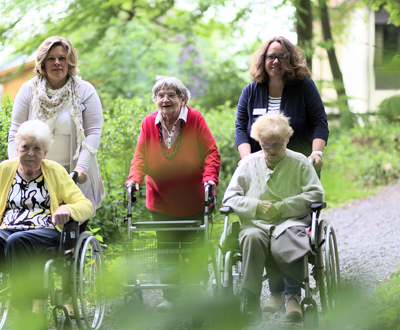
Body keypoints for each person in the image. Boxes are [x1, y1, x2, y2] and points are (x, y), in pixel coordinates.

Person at [0, 120, 93, 329]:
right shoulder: (3, 170)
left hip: (46, 233)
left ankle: (27, 312)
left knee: (18, 240)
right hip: (8, 231)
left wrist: (67, 209)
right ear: (17, 148)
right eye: (25, 147)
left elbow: (85, 205)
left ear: (45, 152)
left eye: (37, 148)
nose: (30, 153)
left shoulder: (55, 172)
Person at [125, 76, 221, 311]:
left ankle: (194, 292)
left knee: (192, 249)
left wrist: (210, 179)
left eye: (171, 95)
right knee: (166, 249)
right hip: (161, 200)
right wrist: (134, 179)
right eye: (160, 95)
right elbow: (140, 157)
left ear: (183, 98)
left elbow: (211, 153)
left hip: (193, 200)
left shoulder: (195, 119)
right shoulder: (149, 123)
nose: (165, 99)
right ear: (155, 100)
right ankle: (171, 296)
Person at [223, 113, 324, 323]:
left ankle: (293, 297)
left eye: (277, 144)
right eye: (265, 144)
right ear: (259, 142)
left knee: (292, 235)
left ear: (287, 139)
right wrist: (256, 206)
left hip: (291, 221)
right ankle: (251, 300)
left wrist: (282, 208)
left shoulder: (300, 162)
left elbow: (316, 195)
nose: (271, 149)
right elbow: (230, 197)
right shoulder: (248, 163)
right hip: (256, 224)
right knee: (250, 237)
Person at [8, 36, 104, 217]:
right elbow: (15, 132)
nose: (57, 63)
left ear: (70, 62)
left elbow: (92, 133)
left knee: (69, 228)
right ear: (42, 63)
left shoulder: (85, 90)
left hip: (73, 174)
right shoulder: (28, 90)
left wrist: (81, 168)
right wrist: (17, 166)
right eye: (51, 58)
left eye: (62, 58)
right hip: (35, 173)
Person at [235, 36, 329, 173]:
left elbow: (319, 123)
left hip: (299, 168)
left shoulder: (305, 87)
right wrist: (247, 159)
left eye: (282, 57)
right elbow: (241, 128)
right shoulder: (250, 92)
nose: (276, 61)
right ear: (263, 59)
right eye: (271, 57)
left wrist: (316, 153)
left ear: (290, 60)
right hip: (259, 170)